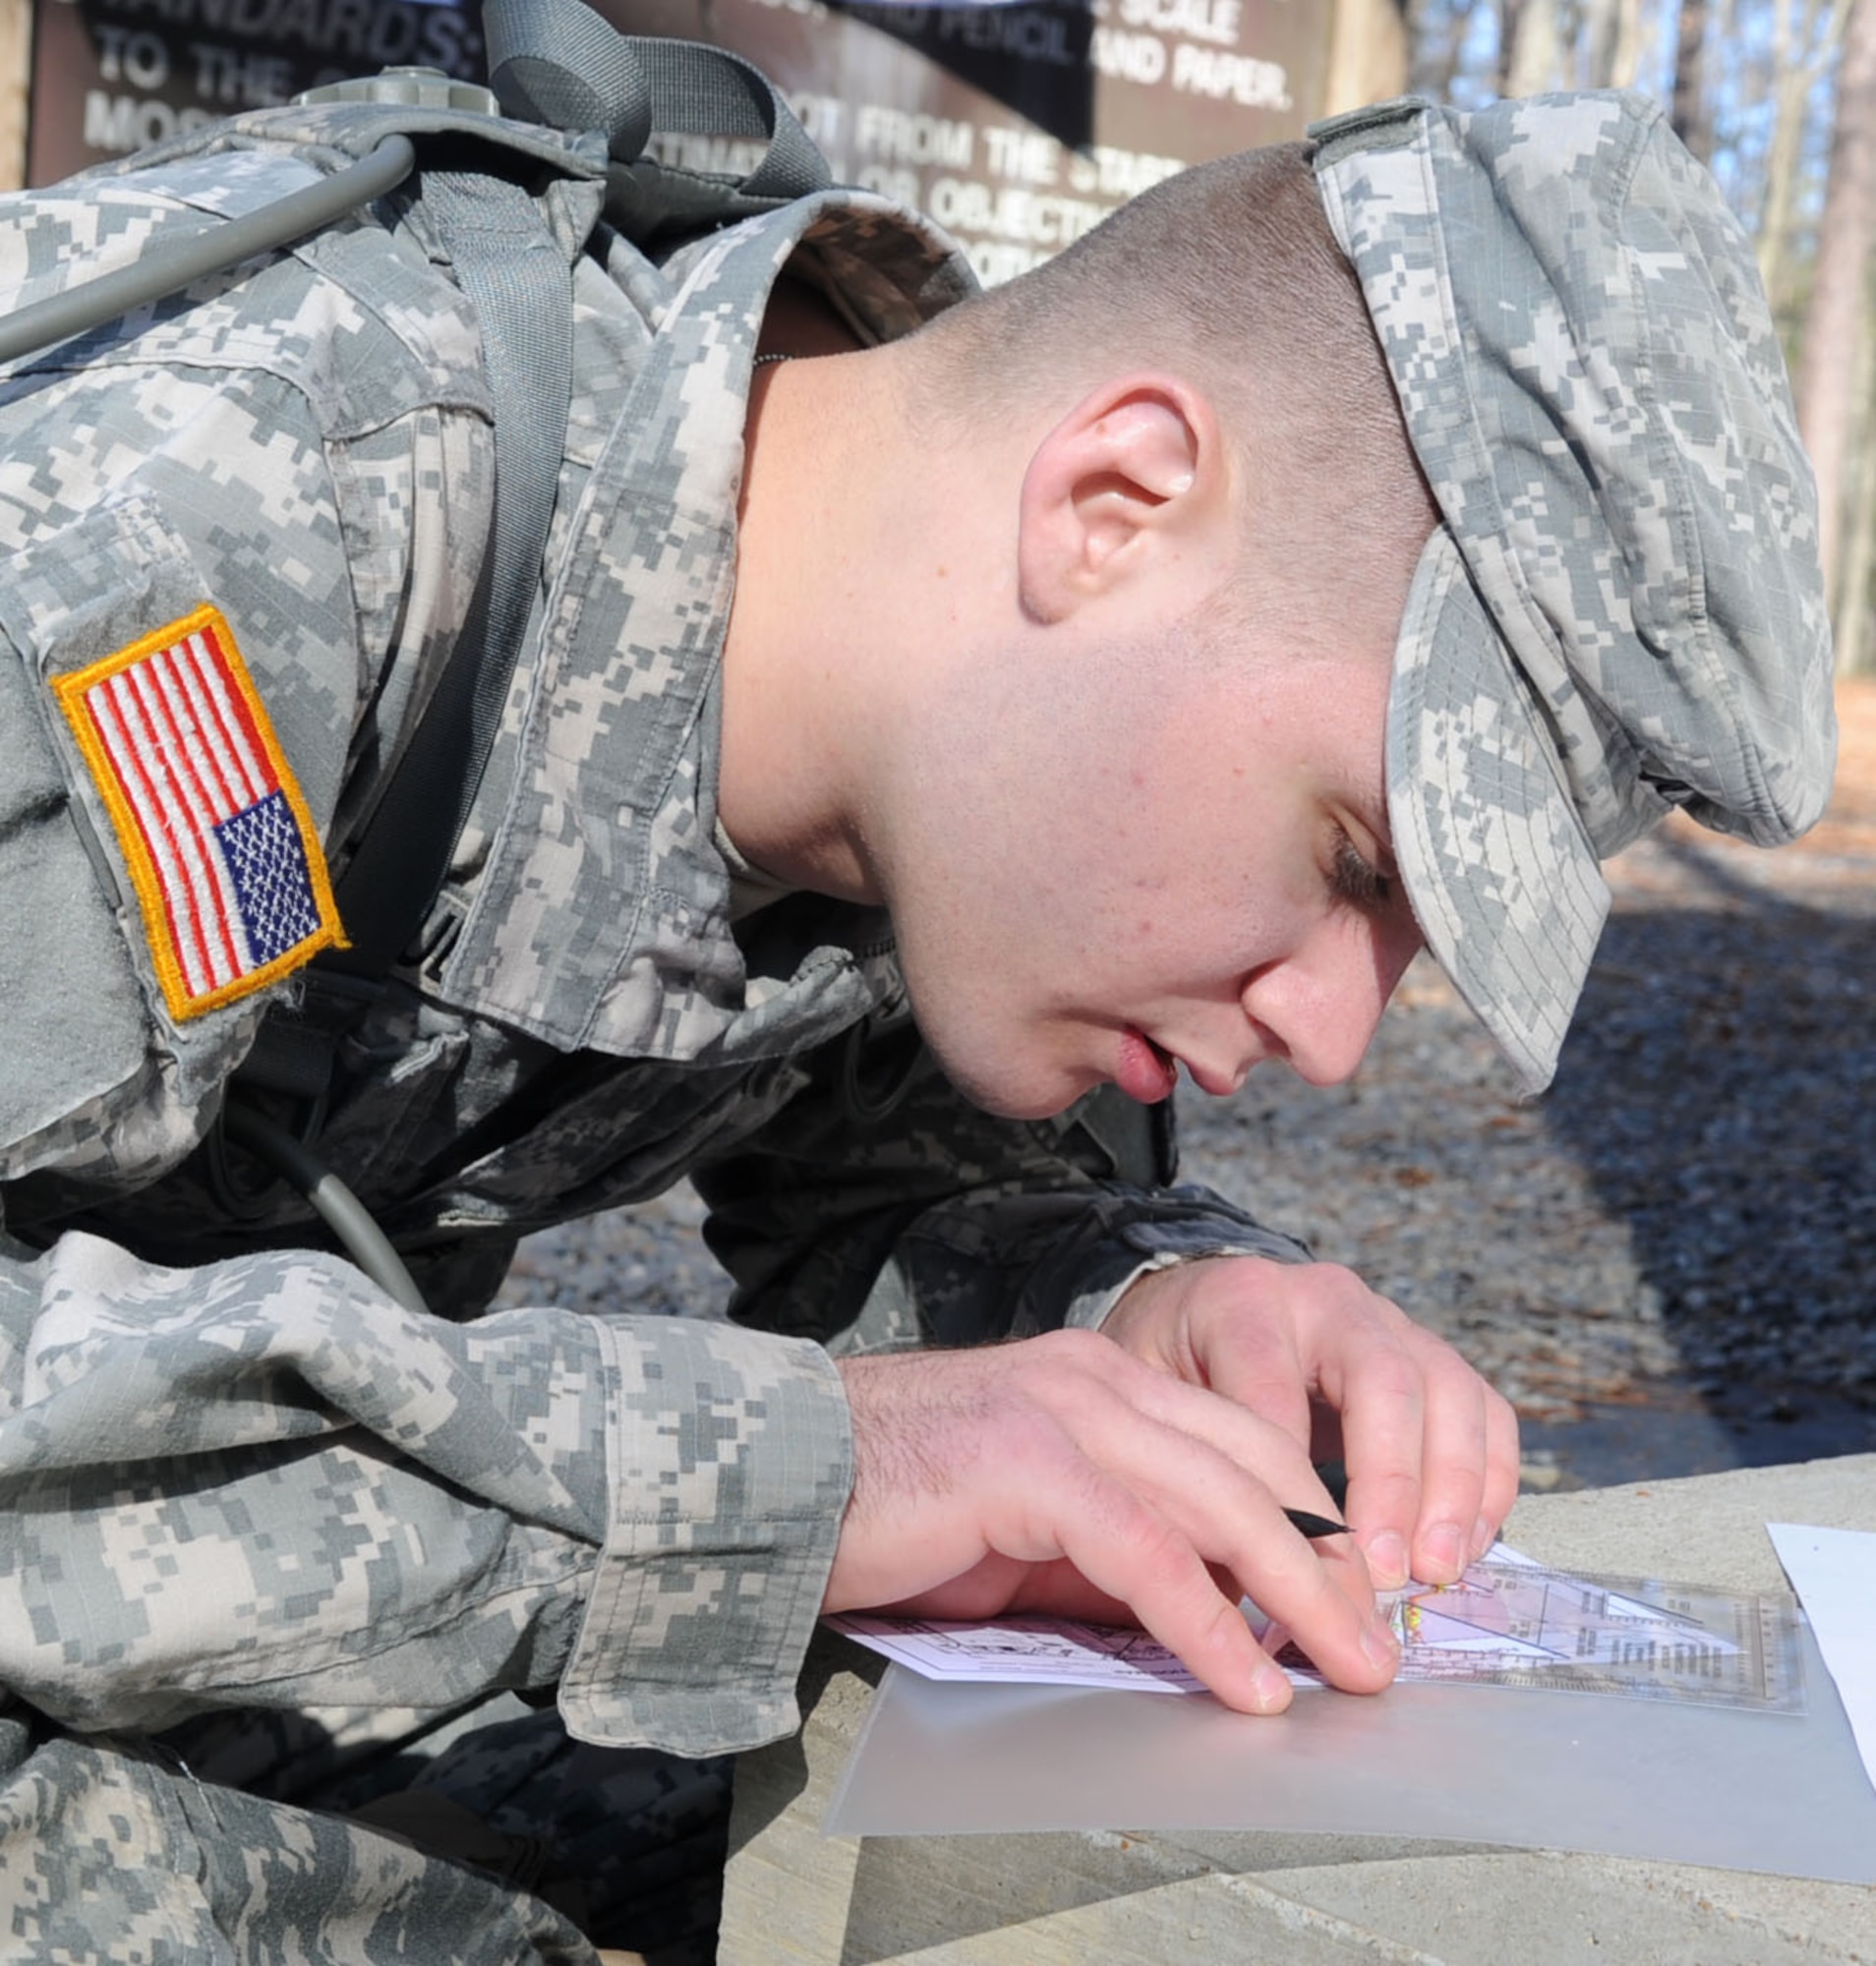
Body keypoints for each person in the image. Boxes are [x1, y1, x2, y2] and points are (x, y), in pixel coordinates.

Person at [0, 7, 1835, 1955]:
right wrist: (795, 1468)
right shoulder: (221, 509)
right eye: (1348, 860)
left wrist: (1135, 1319)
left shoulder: (915, 748)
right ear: (1111, 508)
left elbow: (894, 1195)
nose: (1330, 1027)